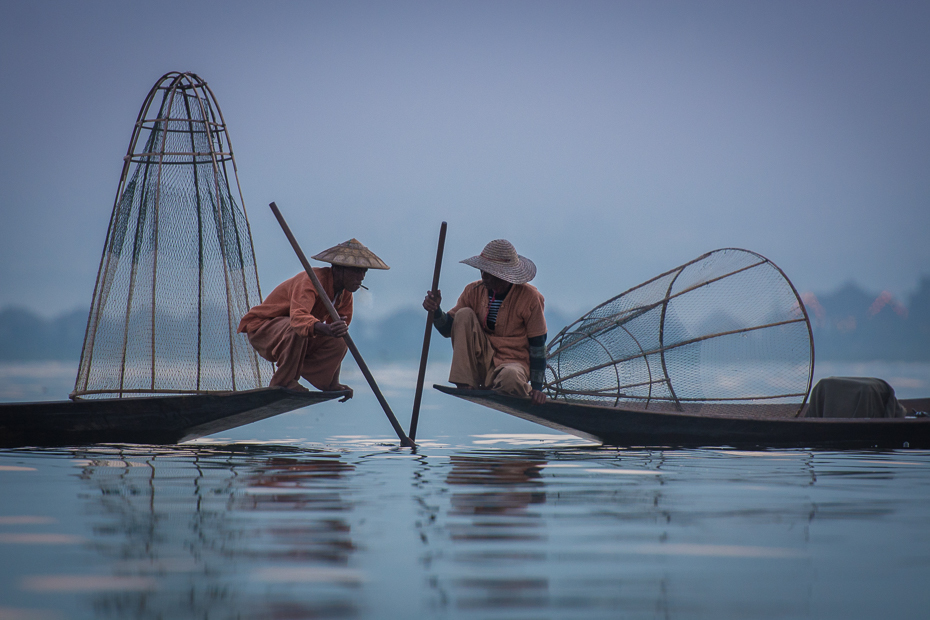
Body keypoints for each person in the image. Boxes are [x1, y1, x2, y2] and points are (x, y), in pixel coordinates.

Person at [238, 238, 389, 397]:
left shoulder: (345, 295)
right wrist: (327, 329)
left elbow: (338, 332)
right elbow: (298, 318)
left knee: (340, 339)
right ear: (338, 268)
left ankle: (329, 383)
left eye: (364, 271)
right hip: (263, 329)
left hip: (294, 336)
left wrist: (333, 331)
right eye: (357, 270)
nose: (362, 276)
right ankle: (283, 381)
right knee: (296, 328)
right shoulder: (312, 280)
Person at [423, 239, 547, 405]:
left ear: (506, 275)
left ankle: (516, 389)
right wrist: (436, 310)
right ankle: (466, 382)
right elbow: (448, 329)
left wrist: (538, 388)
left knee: (511, 380)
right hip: (482, 364)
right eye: (483, 271)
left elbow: (538, 346)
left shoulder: (531, 298)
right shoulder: (473, 291)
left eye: (491, 274)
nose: (484, 277)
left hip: (512, 366)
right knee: (463, 314)